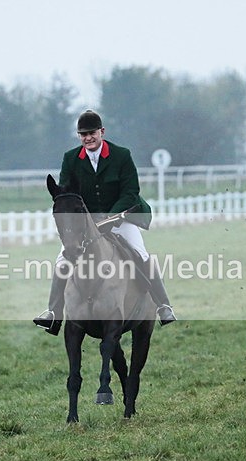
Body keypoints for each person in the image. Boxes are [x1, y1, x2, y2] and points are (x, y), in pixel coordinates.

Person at [33, 109, 176, 335]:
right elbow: (68, 193)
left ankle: (163, 305)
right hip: (87, 222)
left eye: (91, 133)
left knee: (140, 253)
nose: (87, 138)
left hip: (122, 215)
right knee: (62, 259)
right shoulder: (71, 158)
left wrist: (112, 216)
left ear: (102, 132)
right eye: (83, 134)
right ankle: (53, 313)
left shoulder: (121, 155)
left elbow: (131, 192)